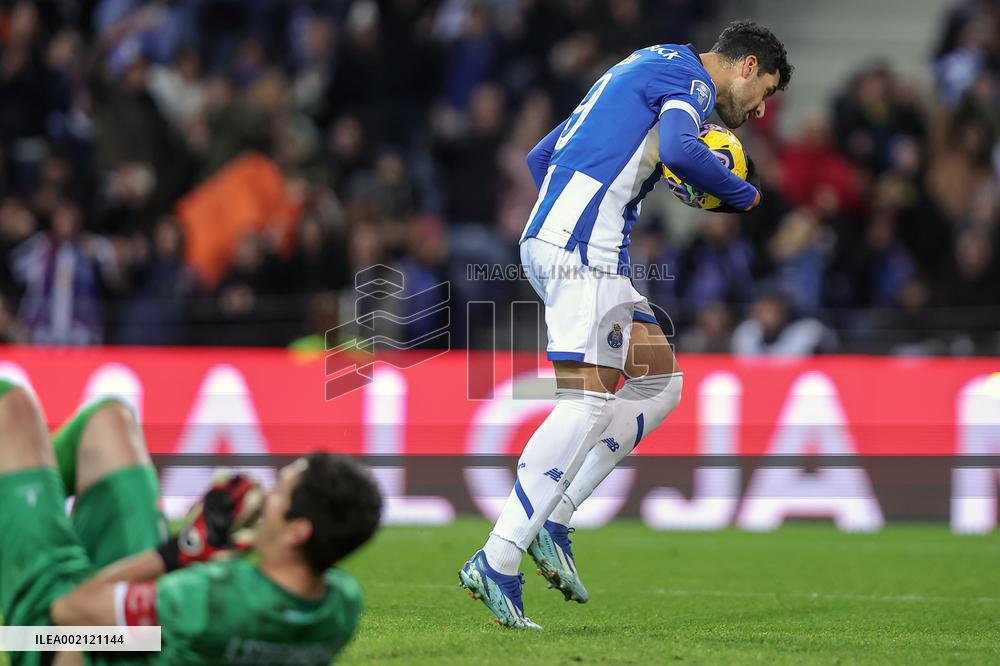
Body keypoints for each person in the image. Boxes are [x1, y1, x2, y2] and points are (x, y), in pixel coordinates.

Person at [459, 20, 792, 629]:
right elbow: (686, 151)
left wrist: (575, 210)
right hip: (581, 248)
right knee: (584, 406)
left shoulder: (643, 65)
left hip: (586, 249)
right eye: (765, 92)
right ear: (746, 66)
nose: (761, 110)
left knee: (659, 383)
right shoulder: (688, 78)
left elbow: (542, 155)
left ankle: (553, 519)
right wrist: (746, 196)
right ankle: (498, 557)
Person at [0, 382, 382, 665]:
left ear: (299, 531)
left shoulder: (211, 599)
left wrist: (180, 551)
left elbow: (70, 608)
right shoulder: (339, 606)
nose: (266, 497)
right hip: (133, 635)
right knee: (109, 420)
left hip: (60, 639)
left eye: (279, 492)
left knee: (11, 407)